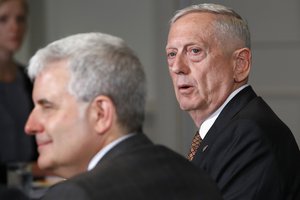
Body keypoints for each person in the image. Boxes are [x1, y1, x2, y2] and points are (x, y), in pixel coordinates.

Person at [24, 32, 223, 200]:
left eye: (47, 106)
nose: (30, 126)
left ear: (101, 114)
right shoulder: (195, 175)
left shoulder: (75, 194)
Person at [166, 3, 300, 200]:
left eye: (195, 51)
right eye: (172, 54)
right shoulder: (227, 129)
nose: (178, 67)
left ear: (240, 64)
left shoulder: (249, 134)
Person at [0, 0, 37, 184]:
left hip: (31, 185)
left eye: (20, 19)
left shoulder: (30, 78)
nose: (14, 27)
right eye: (3, 19)